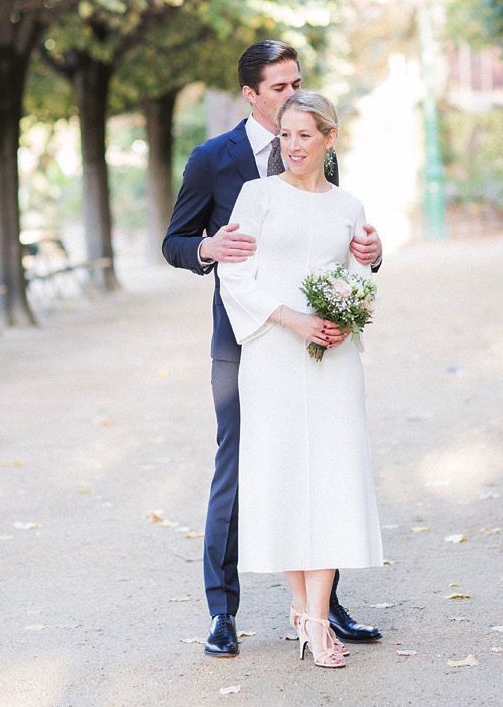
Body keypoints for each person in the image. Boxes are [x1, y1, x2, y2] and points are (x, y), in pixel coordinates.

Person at [162, 41, 383, 657]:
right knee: (244, 471)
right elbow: (176, 241)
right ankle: (222, 611)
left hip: (323, 344)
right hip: (246, 340)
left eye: (297, 83)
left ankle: (320, 609)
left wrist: (368, 258)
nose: (291, 95)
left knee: (324, 465)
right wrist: (209, 250)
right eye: (280, 88)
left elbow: (338, 243)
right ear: (252, 95)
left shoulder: (324, 165)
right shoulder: (214, 159)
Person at [216, 90, 384, 667]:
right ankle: (307, 612)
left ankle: (315, 618)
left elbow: (360, 273)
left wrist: (351, 297)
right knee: (282, 474)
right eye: (285, 135)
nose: (292, 146)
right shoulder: (255, 197)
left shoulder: (350, 205)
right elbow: (236, 277)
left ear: (329, 139)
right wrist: (295, 321)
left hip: (335, 360)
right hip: (274, 354)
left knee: (332, 477)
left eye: (304, 136)